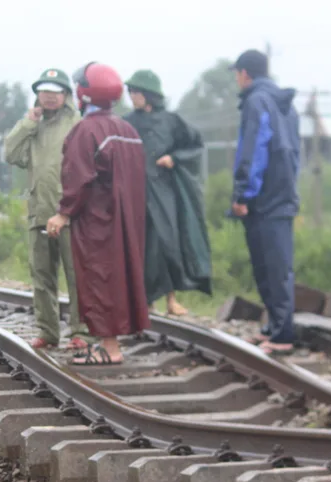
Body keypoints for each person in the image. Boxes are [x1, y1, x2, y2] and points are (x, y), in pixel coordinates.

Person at [46, 62, 149, 366]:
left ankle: (109, 347)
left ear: (83, 93)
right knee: (119, 277)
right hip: (127, 219)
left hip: (97, 222)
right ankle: (111, 343)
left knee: (99, 278)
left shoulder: (87, 130)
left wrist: (63, 213)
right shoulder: (127, 129)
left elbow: (78, 176)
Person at [4, 68, 91, 352]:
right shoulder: (33, 125)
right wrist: (28, 123)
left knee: (77, 275)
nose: (49, 97)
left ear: (65, 95)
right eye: (44, 92)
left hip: (71, 213)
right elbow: (10, 154)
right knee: (41, 276)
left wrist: (71, 209)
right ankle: (48, 330)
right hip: (39, 211)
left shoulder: (78, 124)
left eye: (55, 92)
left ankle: (81, 330)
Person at [229, 49, 301, 356]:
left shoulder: (256, 102)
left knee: (272, 267)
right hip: (281, 194)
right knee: (273, 265)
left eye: (237, 74)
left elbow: (254, 149)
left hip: (263, 199)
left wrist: (243, 193)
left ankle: (283, 332)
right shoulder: (285, 105)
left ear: (245, 74)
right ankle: (274, 326)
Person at [124, 69, 212, 316]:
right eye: (130, 91)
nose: (132, 96)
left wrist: (174, 158)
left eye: (137, 91)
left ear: (150, 94)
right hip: (136, 194)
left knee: (167, 244)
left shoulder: (172, 121)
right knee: (141, 247)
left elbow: (195, 145)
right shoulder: (127, 122)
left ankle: (171, 300)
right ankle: (146, 302)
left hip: (165, 193)